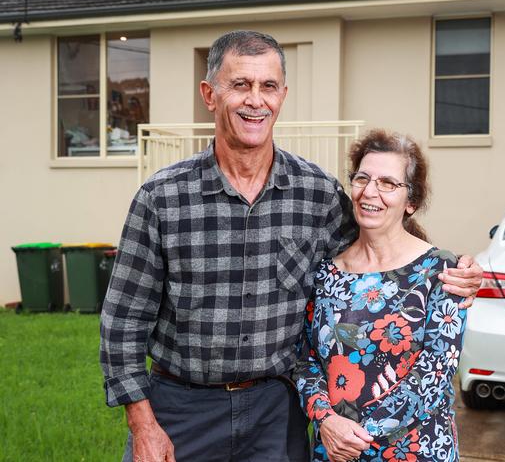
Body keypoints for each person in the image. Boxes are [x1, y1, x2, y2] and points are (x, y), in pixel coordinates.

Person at [100, 31, 483, 462]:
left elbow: (378, 247)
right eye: (240, 84)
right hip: (182, 409)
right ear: (210, 94)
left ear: (283, 95)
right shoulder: (162, 198)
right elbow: (122, 324)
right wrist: (143, 425)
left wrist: (450, 269)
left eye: (268, 86)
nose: (255, 100)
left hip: (275, 412)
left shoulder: (317, 194)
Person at [293, 129, 466, 462]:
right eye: (362, 178)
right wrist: (326, 420)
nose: (370, 192)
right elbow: (306, 360)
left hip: (416, 450)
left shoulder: (439, 270)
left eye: (388, 183)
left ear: (411, 202)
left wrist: (358, 434)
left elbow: (436, 370)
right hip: (334, 448)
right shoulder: (328, 272)